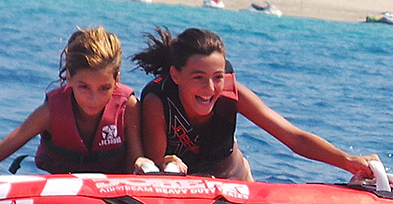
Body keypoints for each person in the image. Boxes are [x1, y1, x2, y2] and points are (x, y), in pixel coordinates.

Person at [132, 27, 377, 182]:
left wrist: (346, 161)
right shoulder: (158, 101)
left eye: (217, 77)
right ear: (176, 76)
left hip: (229, 170)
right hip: (180, 176)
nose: (209, 88)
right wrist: (167, 162)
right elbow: (156, 162)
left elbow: (293, 137)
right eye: (198, 77)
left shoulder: (231, 93)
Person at [0, 26, 143, 176]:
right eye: (84, 87)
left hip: (115, 198)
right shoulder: (50, 112)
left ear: (117, 80)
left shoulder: (128, 106)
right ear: (69, 78)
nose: (93, 98)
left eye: (104, 88)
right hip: (60, 195)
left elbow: (136, 161)